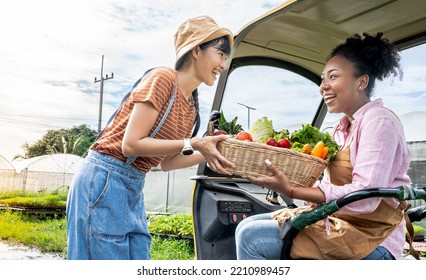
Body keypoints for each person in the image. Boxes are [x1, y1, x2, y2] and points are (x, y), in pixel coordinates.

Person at [66, 15, 235, 260]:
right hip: (104, 178)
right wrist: (194, 143)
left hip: (134, 185)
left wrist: (210, 152)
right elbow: (131, 144)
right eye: (220, 54)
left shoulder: (191, 109)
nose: (223, 64)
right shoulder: (163, 79)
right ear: (197, 50)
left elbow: (167, 162)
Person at [235, 32, 411, 260]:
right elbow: (330, 187)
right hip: (345, 224)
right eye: (322, 79)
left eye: (333, 77)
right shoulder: (341, 128)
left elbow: (365, 198)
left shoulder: (379, 121)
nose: (323, 86)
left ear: (362, 81)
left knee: (252, 237)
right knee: (246, 225)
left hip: (374, 239)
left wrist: (292, 191)